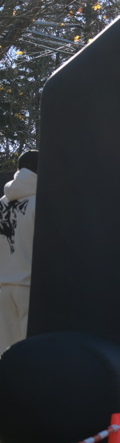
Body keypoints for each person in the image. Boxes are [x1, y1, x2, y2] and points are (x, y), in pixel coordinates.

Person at [0, 151, 38, 353]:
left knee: (5, 353)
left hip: (3, 286)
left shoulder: (1, 203)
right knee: (31, 354)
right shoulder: (41, 202)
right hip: (31, 288)